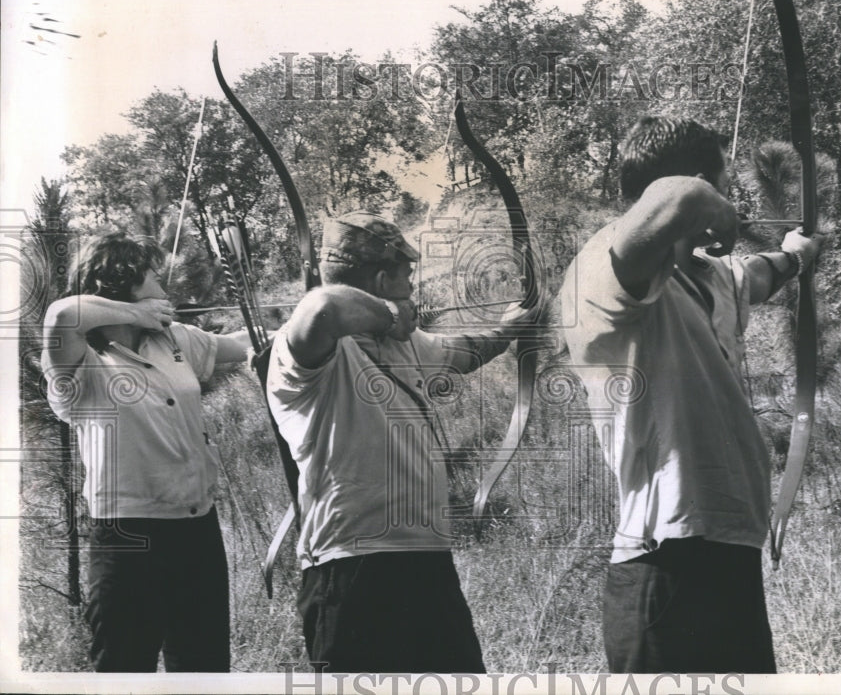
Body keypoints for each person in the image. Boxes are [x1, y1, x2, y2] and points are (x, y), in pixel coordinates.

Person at [560, 116, 824, 673]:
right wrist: (702, 191)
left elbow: (754, 275)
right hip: (664, 562)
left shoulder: (706, 277)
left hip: (726, 548)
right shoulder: (604, 268)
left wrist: (796, 254)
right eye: (722, 186)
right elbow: (672, 202)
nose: (727, 199)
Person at [266, 211, 536, 673]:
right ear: (381, 277)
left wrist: (512, 328)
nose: (411, 287)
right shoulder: (306, 354)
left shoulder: (408, 346)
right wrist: (391, 316)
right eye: (405, 276)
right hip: (349, 567)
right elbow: (323, 307)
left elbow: (467, 352)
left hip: (426, 560)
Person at [41, 233, 253, 672]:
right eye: (154, 277)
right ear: (122, 283)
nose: (164, 285)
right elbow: (62, 314)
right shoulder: (83, 362)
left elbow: (243, 343)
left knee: (204, 667)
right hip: (128, 536)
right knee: (124, 668)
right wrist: (136, 313)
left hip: (197, 526)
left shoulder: (173, 340)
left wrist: (311, 316)